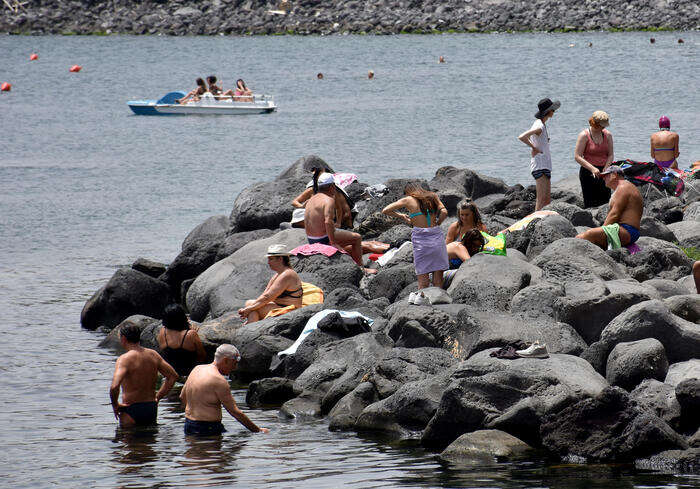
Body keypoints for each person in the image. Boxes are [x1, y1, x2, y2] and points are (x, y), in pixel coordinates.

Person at [180, 344, 269, 436]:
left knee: (193, 450)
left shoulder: (197, 369)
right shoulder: (219, 380)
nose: (234, 368)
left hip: (189, 425)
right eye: (234, 363)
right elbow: (235, 412)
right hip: (208, 428)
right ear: (225, 360)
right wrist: (258, 430)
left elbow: (182, 397)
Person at [109, 322, 179, 427]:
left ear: (123, 338)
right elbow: (173, 376)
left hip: (131, 409)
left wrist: (115, 405)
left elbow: (114, 386)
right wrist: (158, 396)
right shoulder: (152, 354)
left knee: (130, 441)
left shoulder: (124, 359)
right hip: (150, 408)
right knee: (149, 441)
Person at [382, 183, 449, 288]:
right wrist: (438, 223)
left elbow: (385, 210)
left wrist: (401, 216)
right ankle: (438, 299)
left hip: (421, 240)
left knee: (423, 280)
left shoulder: (408, 199)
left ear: (409, 192)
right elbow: (444, 212)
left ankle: (423, 301)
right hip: (436, 237)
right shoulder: (432, 196)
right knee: (438, 279)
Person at [304, 172, 370, 270]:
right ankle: (361, 268)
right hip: (323, 238)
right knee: (357, 238)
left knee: (345, 238)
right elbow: (327, 221)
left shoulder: (312, 199)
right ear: (332, 186)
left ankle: (349, 260)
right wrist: (333, 242)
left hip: (311, 238)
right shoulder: (328, 200)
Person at [576, 166, 643, 249]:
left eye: (606, 175)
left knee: (587, 235)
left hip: (627, 230)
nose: (603, 179)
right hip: (626, 230)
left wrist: (603, 229)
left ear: (614, 175)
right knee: (586, 236)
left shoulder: (623, 187)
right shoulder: (624, 187)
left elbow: (615, 214)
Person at [238, 244, 303, 324]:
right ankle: (251, 325)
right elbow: (264, 294)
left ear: (280, 259)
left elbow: (267, 297)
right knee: (249, 303)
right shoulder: (278, 274)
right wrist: (249, 308)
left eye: (271, 259)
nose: (268, 262)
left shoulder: (287, 274)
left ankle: (250, 326)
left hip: (290, 310)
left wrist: (249, 309)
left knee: (253, 308)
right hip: (279, 305)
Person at [518, 97, 560, 210]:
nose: (554, 112)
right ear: (548, 111)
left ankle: (543, 220)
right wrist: (533, 147)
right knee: (541, 199)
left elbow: (537, 139)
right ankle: (536, 223)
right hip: (539, 165)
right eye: (553, 110)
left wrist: (540, 143)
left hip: (545, 164)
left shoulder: (542, 124)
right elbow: (522, 137)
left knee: (546, 200)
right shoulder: (539, 125)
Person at [575, 110, 615, 208]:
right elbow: (577, 156)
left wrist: (606, 168)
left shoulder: (608, 135)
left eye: (604, 126)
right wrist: (592, 168)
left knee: (605, 202)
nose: (603, 127)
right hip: (588, 172)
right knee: (590, 203)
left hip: (604, 172)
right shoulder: (584, 135)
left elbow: (610, 155)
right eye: (602, 125)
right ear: (594, 123)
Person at [157, 304, 206, 377]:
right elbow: (202, 357)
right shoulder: (191, 334)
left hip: (170, 375)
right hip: (189, 375)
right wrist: (192, 332)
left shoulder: (162, 332)